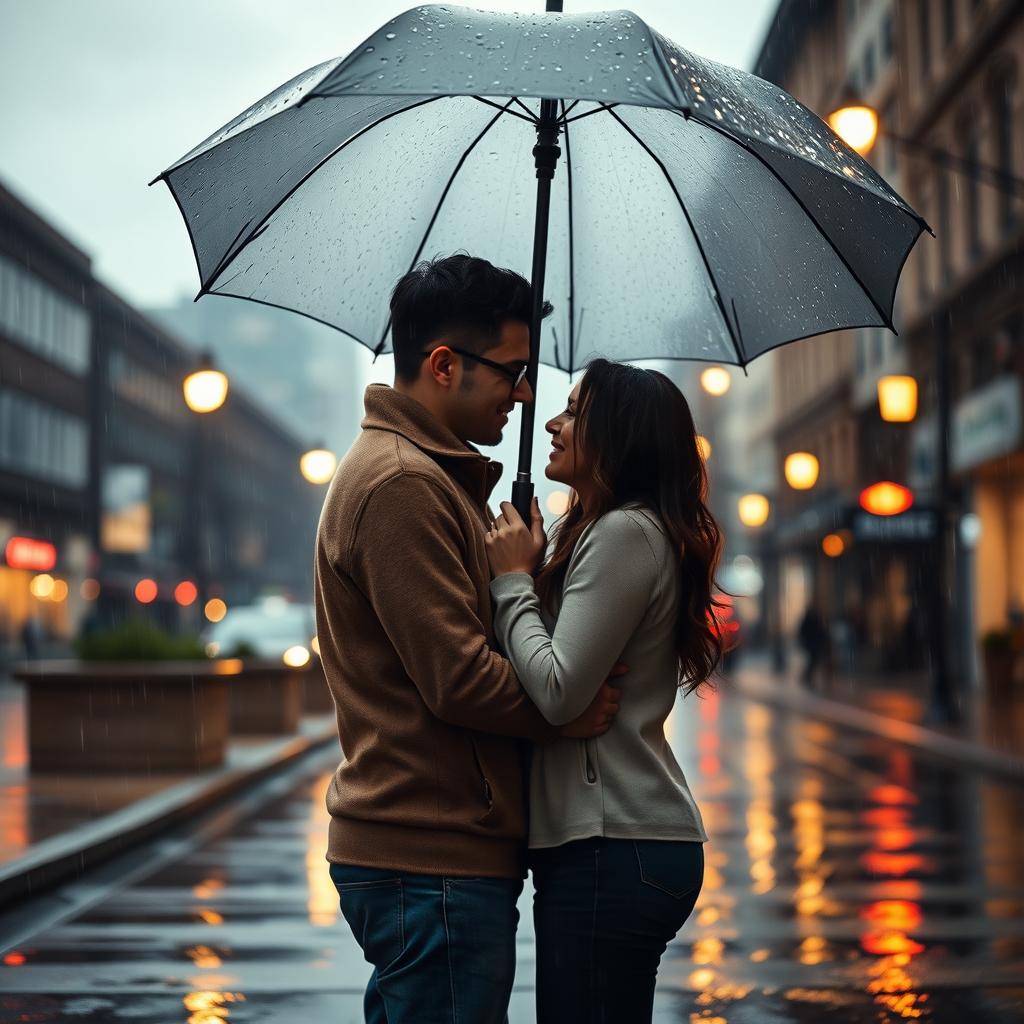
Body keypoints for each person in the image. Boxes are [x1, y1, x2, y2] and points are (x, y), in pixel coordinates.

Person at [314, 255, 622, 1024]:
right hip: (427, 851)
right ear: (444, 365)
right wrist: (564, 706)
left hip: (433, 852)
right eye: (512, 371)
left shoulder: (434, 479)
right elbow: (457, 677)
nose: (525, 393)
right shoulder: (404, 485)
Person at [484, 359, 724, 1023]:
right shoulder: (609, 531)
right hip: (613, 846)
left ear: (617, 435)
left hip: (611, 843)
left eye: (573, 412)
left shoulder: (624, 532)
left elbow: (558, 689)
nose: (553, 424)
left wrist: (512, 582)